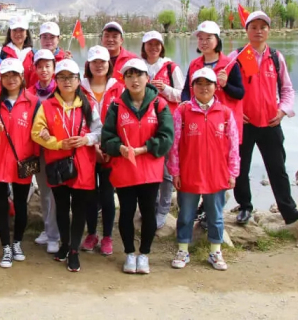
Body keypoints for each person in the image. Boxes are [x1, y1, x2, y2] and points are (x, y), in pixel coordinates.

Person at [230, 11, 298, 225]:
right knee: (241, 169)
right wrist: (235, 112)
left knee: (277, 168)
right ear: (247, 30)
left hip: (270, 122)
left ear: (268, 30)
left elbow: (287, 89)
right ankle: (245, 207)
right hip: (244, 124)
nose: (258, 31)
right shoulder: (237, 56)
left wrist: (283, 110)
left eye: (263, 27)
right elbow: (223, 89)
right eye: (254, 27)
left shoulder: (276, 57)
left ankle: (288, 210)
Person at [101, 58, 174, 274]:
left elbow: (167, 137)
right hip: (125, 168)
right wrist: (119, 147)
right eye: (129, 76)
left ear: (147, 77)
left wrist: (145, 148)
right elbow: (107, 138)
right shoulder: (116, 105)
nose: (134, 80)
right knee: (126, 211)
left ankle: (144, 254)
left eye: (139, 75)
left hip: (150, 168)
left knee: (148, 211)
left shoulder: (159, 104)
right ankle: (129, 253)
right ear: (124, 80)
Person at [31, 59, 102, 272]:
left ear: (79, 80)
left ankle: (73, 251)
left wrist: (86, 139)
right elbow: (36, 133)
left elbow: (100, 131)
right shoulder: (47, 106)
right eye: (61, 77)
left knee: (79, 208)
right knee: (61, 207)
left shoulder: (88, 105)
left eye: (71, 77)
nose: (67, 81)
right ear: (56, 81)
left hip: (83, 164)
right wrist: (57, 143)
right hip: (57, 164)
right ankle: (64, 243)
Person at [168, 68, 240, 271]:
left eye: (208, 83)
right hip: (189, 172)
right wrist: (175, 171)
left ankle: (215, 251)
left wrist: (233, 172)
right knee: (185, 215)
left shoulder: (225, 113)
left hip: (217, 174)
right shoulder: (182, 111)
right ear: (192, 87)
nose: (203, 88)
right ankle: (183, 249)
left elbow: (233, 146)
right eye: (198, 83)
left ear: (216, 87)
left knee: (215, 215)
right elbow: (174, 145)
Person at [182, 21, 244, 227]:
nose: (203, 42)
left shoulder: (230, 64)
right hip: (197, 126)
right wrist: (185, 107)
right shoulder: (194, 65)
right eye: (200, 38)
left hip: (221, 127)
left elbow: (240, 93)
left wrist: (224, 85)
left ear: (217, 40)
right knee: (198, 167)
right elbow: (186, 91)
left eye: (208, 38)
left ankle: (213, 214)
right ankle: (202, 210)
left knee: (220, 170)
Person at [0, 58, 40, 268]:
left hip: (22, 161)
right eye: (6, 75)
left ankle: (17, 242)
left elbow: (38, 132)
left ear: (22, 77)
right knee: (1, 204)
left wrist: (35, 158)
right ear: (1, 78)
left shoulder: (33, 102)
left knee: (20, 204)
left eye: (14, 75)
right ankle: (5, 247)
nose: (10, 79)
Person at [80, 45, 124, 256]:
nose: (99, 66)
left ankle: (107, 236)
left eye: (103, 62)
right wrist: (93, 145)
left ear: (109, 64)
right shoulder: (79, 88)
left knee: (107, 194)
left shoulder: (119, 89)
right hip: (87, 149)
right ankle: (91, 233)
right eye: (94, 62)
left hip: (111, 150)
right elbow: (78, 119)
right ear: (88, 64)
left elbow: (123, 120)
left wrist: (109, 145)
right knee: (89, 194)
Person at [141, 31, 185, 229]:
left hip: (166, 124)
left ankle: (163, 209)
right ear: (143, 46)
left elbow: (183, 95)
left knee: (166, 169)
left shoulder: (170, 67)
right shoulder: (139, 67)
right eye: (149, 44)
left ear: (162, 46)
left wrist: (165, 89)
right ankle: (149, 206)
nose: (153, 48)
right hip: (144, 124)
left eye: (157, 44)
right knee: (147, 167)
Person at [26, 49, 61, 253]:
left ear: (54, 68)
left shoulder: (61, 90)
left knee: (56, 192)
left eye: (48, 66)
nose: (44, 70)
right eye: (40, 66)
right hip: (37, 149)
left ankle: (55, 234)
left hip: (56, 149)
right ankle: (49, 229)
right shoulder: (29, 92)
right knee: (45, 191)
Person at [0, 16, 35, 86]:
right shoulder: (2, 52)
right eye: (14, 30)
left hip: (29, 92)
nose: (18, 34)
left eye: (21, 30)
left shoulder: (34, 53)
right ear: (10, 32)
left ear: (26, 33)